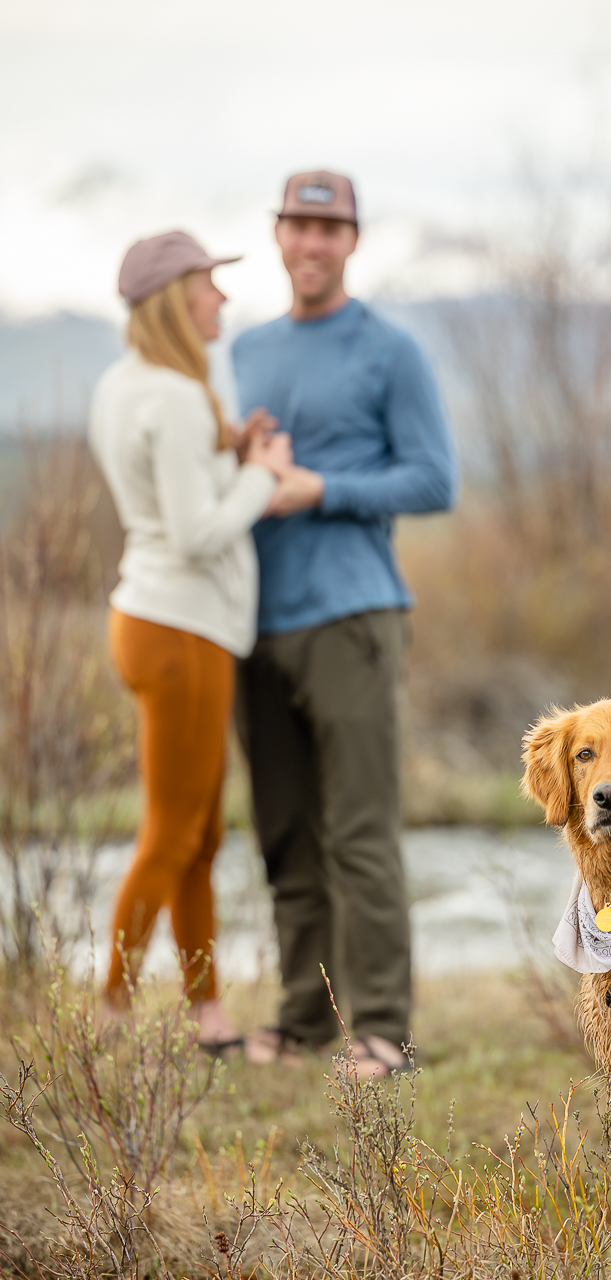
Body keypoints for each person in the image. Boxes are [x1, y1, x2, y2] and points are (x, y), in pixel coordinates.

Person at [232, 170, 457, 1076]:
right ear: (278, 235)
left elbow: (433, 479)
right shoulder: (246, 350)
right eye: (299, 226)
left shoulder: (389, 350)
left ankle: (382, 1030)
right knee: (285, 830)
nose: (314, 244)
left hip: (353, 617)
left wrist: (320, 487)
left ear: (352, 241)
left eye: (332, 229)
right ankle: (302, 1017)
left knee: (359, 832)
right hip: (254, 625)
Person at [90, 230, 291, 1049]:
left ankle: (206, 1014)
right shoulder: (174, 396)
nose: (222, 299)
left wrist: (230, 449)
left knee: (199, 833)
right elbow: (197, 529)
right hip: (180, 630)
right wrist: (263, 472)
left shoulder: (131, 385)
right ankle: (111, 1009)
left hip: (161, 622)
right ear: (178, 298)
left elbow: (167, 485)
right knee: (173, 833)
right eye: (210, 285)